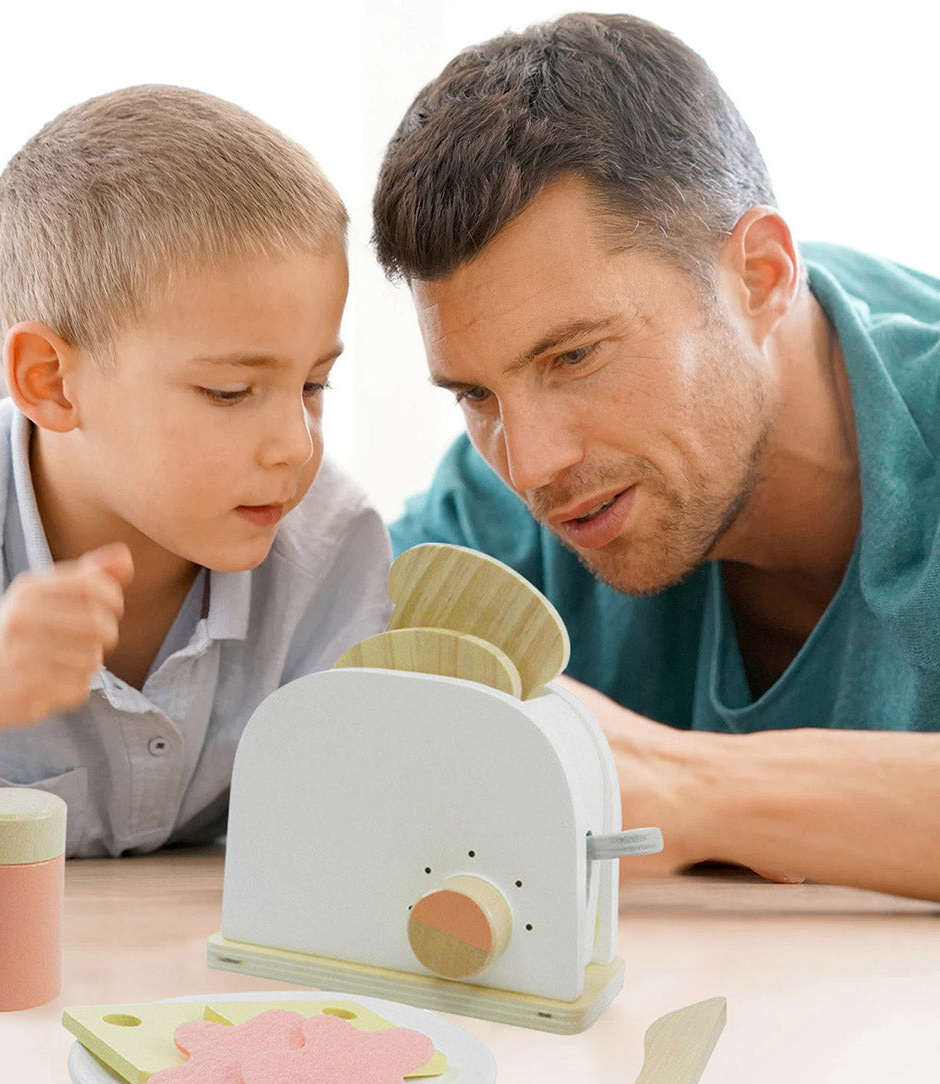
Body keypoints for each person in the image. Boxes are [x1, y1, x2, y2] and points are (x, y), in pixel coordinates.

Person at [0, 85, 392, 872]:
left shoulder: (334, 542)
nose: (295, 446)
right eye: (230, 392)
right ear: (50, 379)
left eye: (314, 385)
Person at [372, 13, 940, 900]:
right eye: (476, 395)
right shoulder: (496, 514)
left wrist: (689, 788)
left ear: (758, 275)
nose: (530, 468)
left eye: (575, 357)